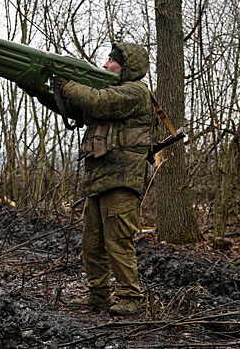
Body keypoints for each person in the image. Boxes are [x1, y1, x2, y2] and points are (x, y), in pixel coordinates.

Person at [21, 42, 155, 315]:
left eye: (111, 60)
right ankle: (99, 294)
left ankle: (130, 298)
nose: (105, 64)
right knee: (92, 242)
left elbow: (96, 101)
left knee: (118, 241)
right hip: (99, 178)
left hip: (122, 178)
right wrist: (38, 88)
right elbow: (74, 107)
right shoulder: (111, 92)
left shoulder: (135, 93)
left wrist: (66, 81)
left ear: (126, 66)